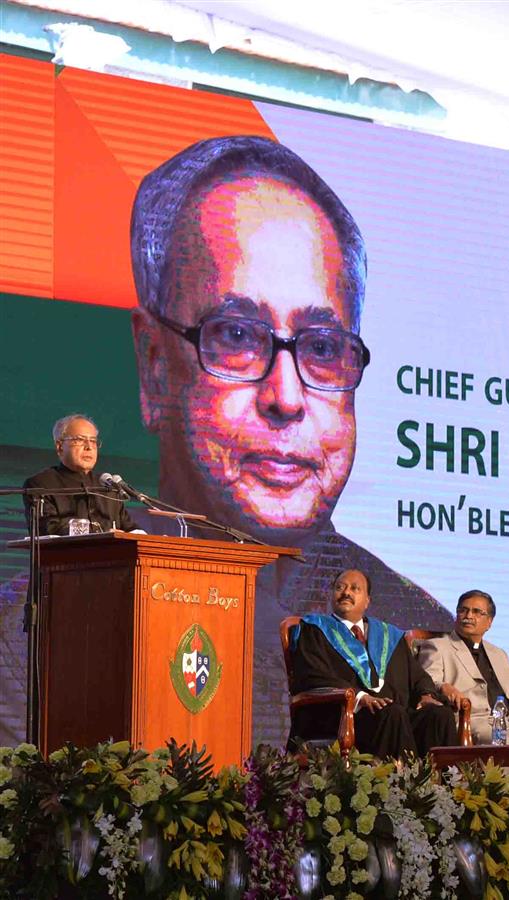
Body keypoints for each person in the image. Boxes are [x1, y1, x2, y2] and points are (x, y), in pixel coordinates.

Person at [125, 135, 452, 748]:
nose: (286, 396)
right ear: (153, 365)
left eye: (324, 348)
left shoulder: (417, 623)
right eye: (237, 335)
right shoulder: (33, 640)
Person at [287, 569, 456, 758]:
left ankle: (442, 786)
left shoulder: (388, 635)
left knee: (439, 716)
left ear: (367, 601)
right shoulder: (314, 628)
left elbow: (417, 675)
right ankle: (402, 785)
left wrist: (426, 695)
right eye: (339, 587)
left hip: (391, 715)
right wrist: (359, 697)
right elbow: (311, 674)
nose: (346, 593)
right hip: (340, 715)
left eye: (355, 588)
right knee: (393, 714)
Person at [416, 589, 509, 744]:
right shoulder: (437, 646)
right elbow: (427, 680)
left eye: (476, 612)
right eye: (463, 610)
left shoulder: (498, 653)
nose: (468, 616)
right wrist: (445, 687)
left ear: (489, 622)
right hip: (474, 721)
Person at [22, 414, 138, 535]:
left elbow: (130, 528)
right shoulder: (40, 484)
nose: (89, 447)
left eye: (93, 441)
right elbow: (47, 530)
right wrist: (102, 534)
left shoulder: (108, 486)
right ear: (60, 446)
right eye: (79, 440)